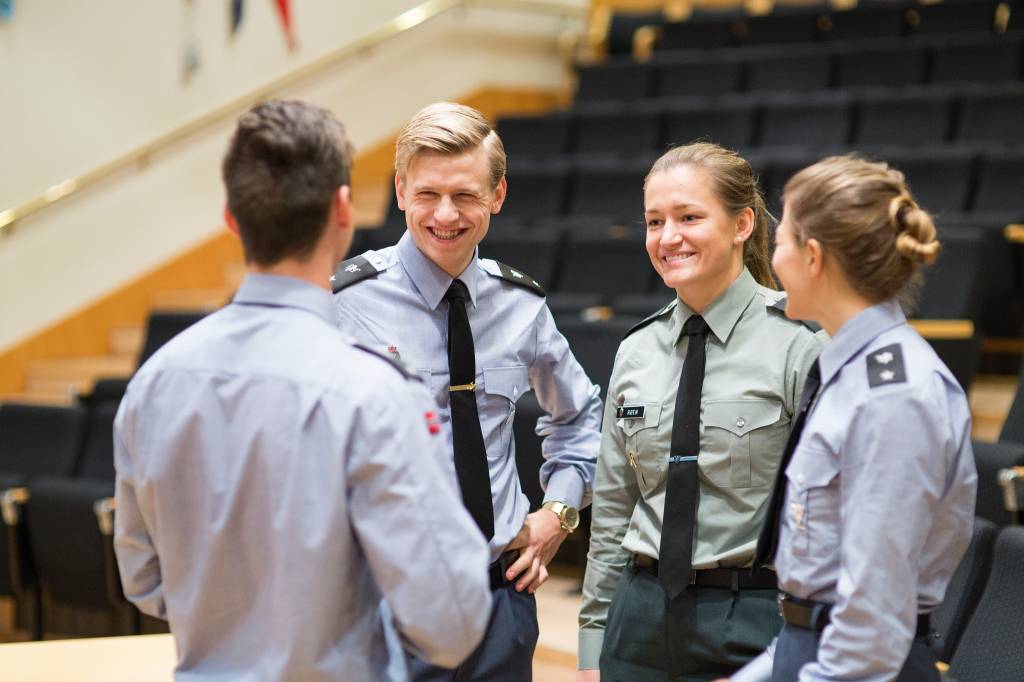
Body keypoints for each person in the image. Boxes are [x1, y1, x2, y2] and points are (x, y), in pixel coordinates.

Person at [113, 100, 492, 681]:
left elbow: (143, 581)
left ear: (232, 219)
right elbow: (451, 622)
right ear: (343, 211)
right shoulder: (376, 395)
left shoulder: (153, 385)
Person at [333, 101, 602, 681]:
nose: (446, 215)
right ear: (401, 190)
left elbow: (580, 418)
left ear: (498, 195)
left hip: (498, 601)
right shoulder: (345, 304)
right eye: (428, 194)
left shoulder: (521, 306)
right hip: (384, 606)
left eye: (467, 195)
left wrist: (558, 512)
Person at [577, 142, 826, 681]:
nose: (668, 238)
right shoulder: (636, 350)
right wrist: (592, 641)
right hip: (639, 618)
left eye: (689, 217)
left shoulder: (799, 343)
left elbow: (830, 510)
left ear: (741, 224)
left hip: (754, 617)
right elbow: (615, 506)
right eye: (654, 221)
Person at [729, 155, 977, 681]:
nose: (774, 258)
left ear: (813, 256)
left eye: (783, 240)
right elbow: (814, 602)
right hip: (813, 651)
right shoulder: (850, 371)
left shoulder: (893, 396)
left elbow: (871, 620)